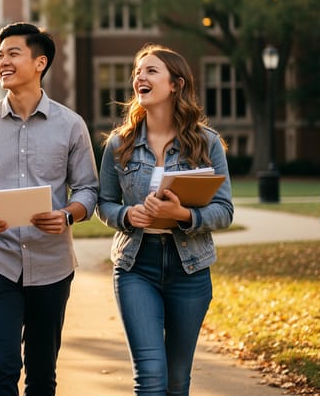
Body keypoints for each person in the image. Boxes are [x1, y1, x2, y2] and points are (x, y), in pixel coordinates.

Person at [0, 22, 99, 396]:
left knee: (41, 375)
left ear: (40, 63)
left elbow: (87, 189)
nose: (2, 61)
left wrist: (68, 214)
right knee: (0, 370)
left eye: (12, 53)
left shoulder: (71, 125)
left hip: (52, 265)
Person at [98, 43, 234, 396]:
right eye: (137, 72)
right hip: (135, 267)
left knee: (177, 380)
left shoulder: (207, 143)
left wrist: (183, 215)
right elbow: (104, 204)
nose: (139, 77)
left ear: (176, 84)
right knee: (151, 376)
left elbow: (225, 211)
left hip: (189, 270)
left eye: (150, 71)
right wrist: (128, 214)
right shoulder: (119, 144)